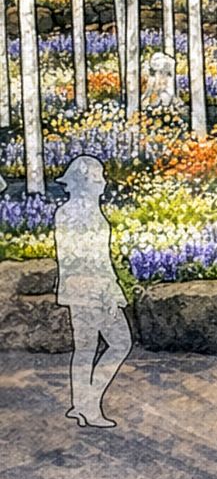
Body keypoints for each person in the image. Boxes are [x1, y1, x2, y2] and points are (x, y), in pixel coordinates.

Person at [55, 156, 127, 428]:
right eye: (98, 180)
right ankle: (91, 405)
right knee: (120, 343)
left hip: (74, 289)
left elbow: (69, 259)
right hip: (94, 289)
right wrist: (110, 294)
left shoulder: (64, 212)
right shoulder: (90, 215)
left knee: (84, 349)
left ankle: (80, 404)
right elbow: (96, 260)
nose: (104, 184)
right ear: (84, 183)